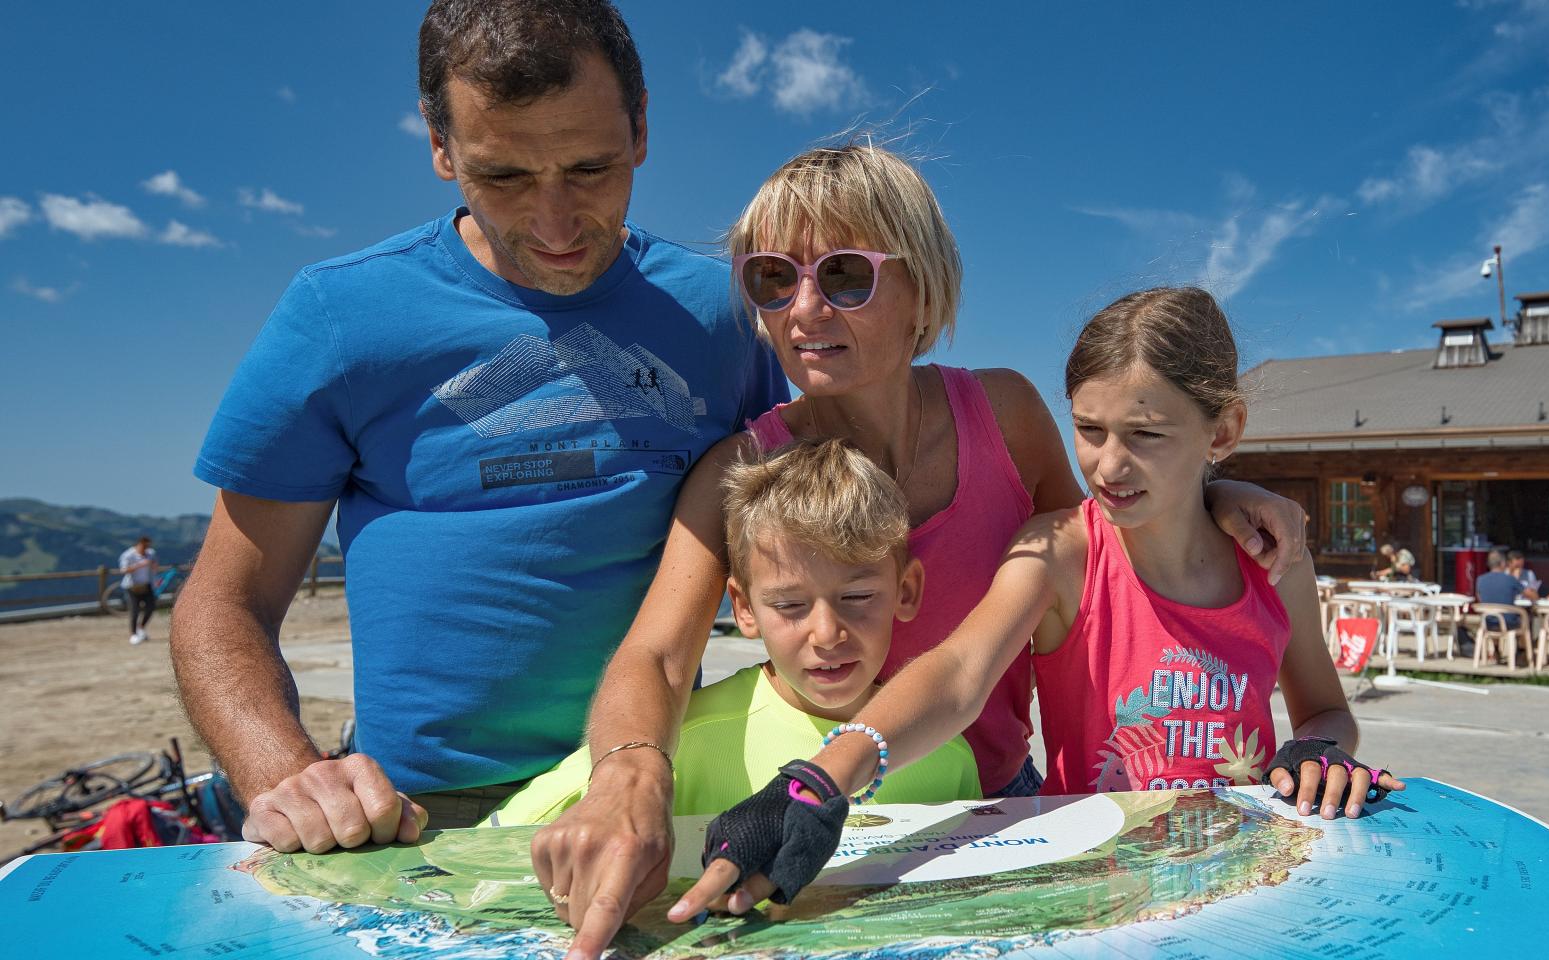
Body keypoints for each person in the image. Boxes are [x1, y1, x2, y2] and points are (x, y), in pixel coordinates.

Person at [531, 146, 1307, 953]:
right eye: (772, 278)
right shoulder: (742, 470)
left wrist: (1210, 493)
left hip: (996, 806)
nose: (803, 308)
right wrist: (625, 774)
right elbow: (657, 656)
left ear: (923, 287)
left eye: (843, 276)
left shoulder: (1004, 416)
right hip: (804, 798)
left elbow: (1101, 545)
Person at [171, 0, 789, 854]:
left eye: (591, 168)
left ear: (642, 128)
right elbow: (225, 601)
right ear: (439, 145)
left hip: (668, 778)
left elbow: (812, 526)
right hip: (426, 816)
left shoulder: (724, 311)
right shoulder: (341, 316)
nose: (556, 221)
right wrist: (285, 774)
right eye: (503, 177)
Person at [669, 287, 1402, 922]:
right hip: (1096, 891)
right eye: (1088, 429)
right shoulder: (1060, 554)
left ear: (1225, 432)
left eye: (1146, 435)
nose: (1108, 464)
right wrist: (821, 779)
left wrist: (1320, 750)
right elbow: (957, 674)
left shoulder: (1274, 562)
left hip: (1241, 885)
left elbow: (1323, 713)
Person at [488, 439, 979, 824]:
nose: (827, 634)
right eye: (790, 604)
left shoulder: (948, 752)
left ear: (907, 590)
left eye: (857, 598)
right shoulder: (682, 743)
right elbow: (502, 839)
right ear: (744, 608)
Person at [1474, 548, 1534, 629]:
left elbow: (1480, 599)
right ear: (1503, 563)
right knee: (1525, 617)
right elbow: (1531, 595)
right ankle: (1524, 641)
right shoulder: (1510, 579)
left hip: (1488, 622)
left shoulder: (1480, 580)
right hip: (1508, 623)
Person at [119, 535, 159, 645]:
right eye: (144, 546)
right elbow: (123, 570)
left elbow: (154, 565)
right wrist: (139, 565)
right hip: (132, 587)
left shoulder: (151, 553)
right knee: (134, 610)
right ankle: (133, 634)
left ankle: (141, 628)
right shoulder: (128, 555)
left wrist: (154, 566)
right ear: (139, 544)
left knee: (151, 608)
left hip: (147, 585)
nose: (146, 549)